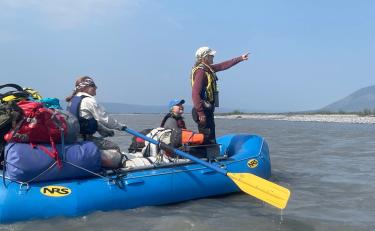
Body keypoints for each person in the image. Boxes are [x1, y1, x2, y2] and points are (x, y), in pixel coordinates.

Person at [191, 46, 249, 144]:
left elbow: (223, 65)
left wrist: (240, 58)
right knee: (208, 137)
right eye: (211, 55)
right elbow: (195, 94)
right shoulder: (201, 72)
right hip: (202, 111)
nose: (213, 57)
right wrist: (200, 113)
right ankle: (207, 157)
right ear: (205, 57)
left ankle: (211, 156)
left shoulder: (208, 69)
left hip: (207, 110)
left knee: (210, 135)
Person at [66, 76, 126, 169]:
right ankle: (114, 173)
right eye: (94, 86)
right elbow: (106, 120)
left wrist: (103, 130)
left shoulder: (73, 100)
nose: (96, 88)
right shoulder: (88, 100)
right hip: (84, 139)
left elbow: (83, 119)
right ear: (87, 87)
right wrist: (121, 127)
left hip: (73, 139)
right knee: (114, 147)